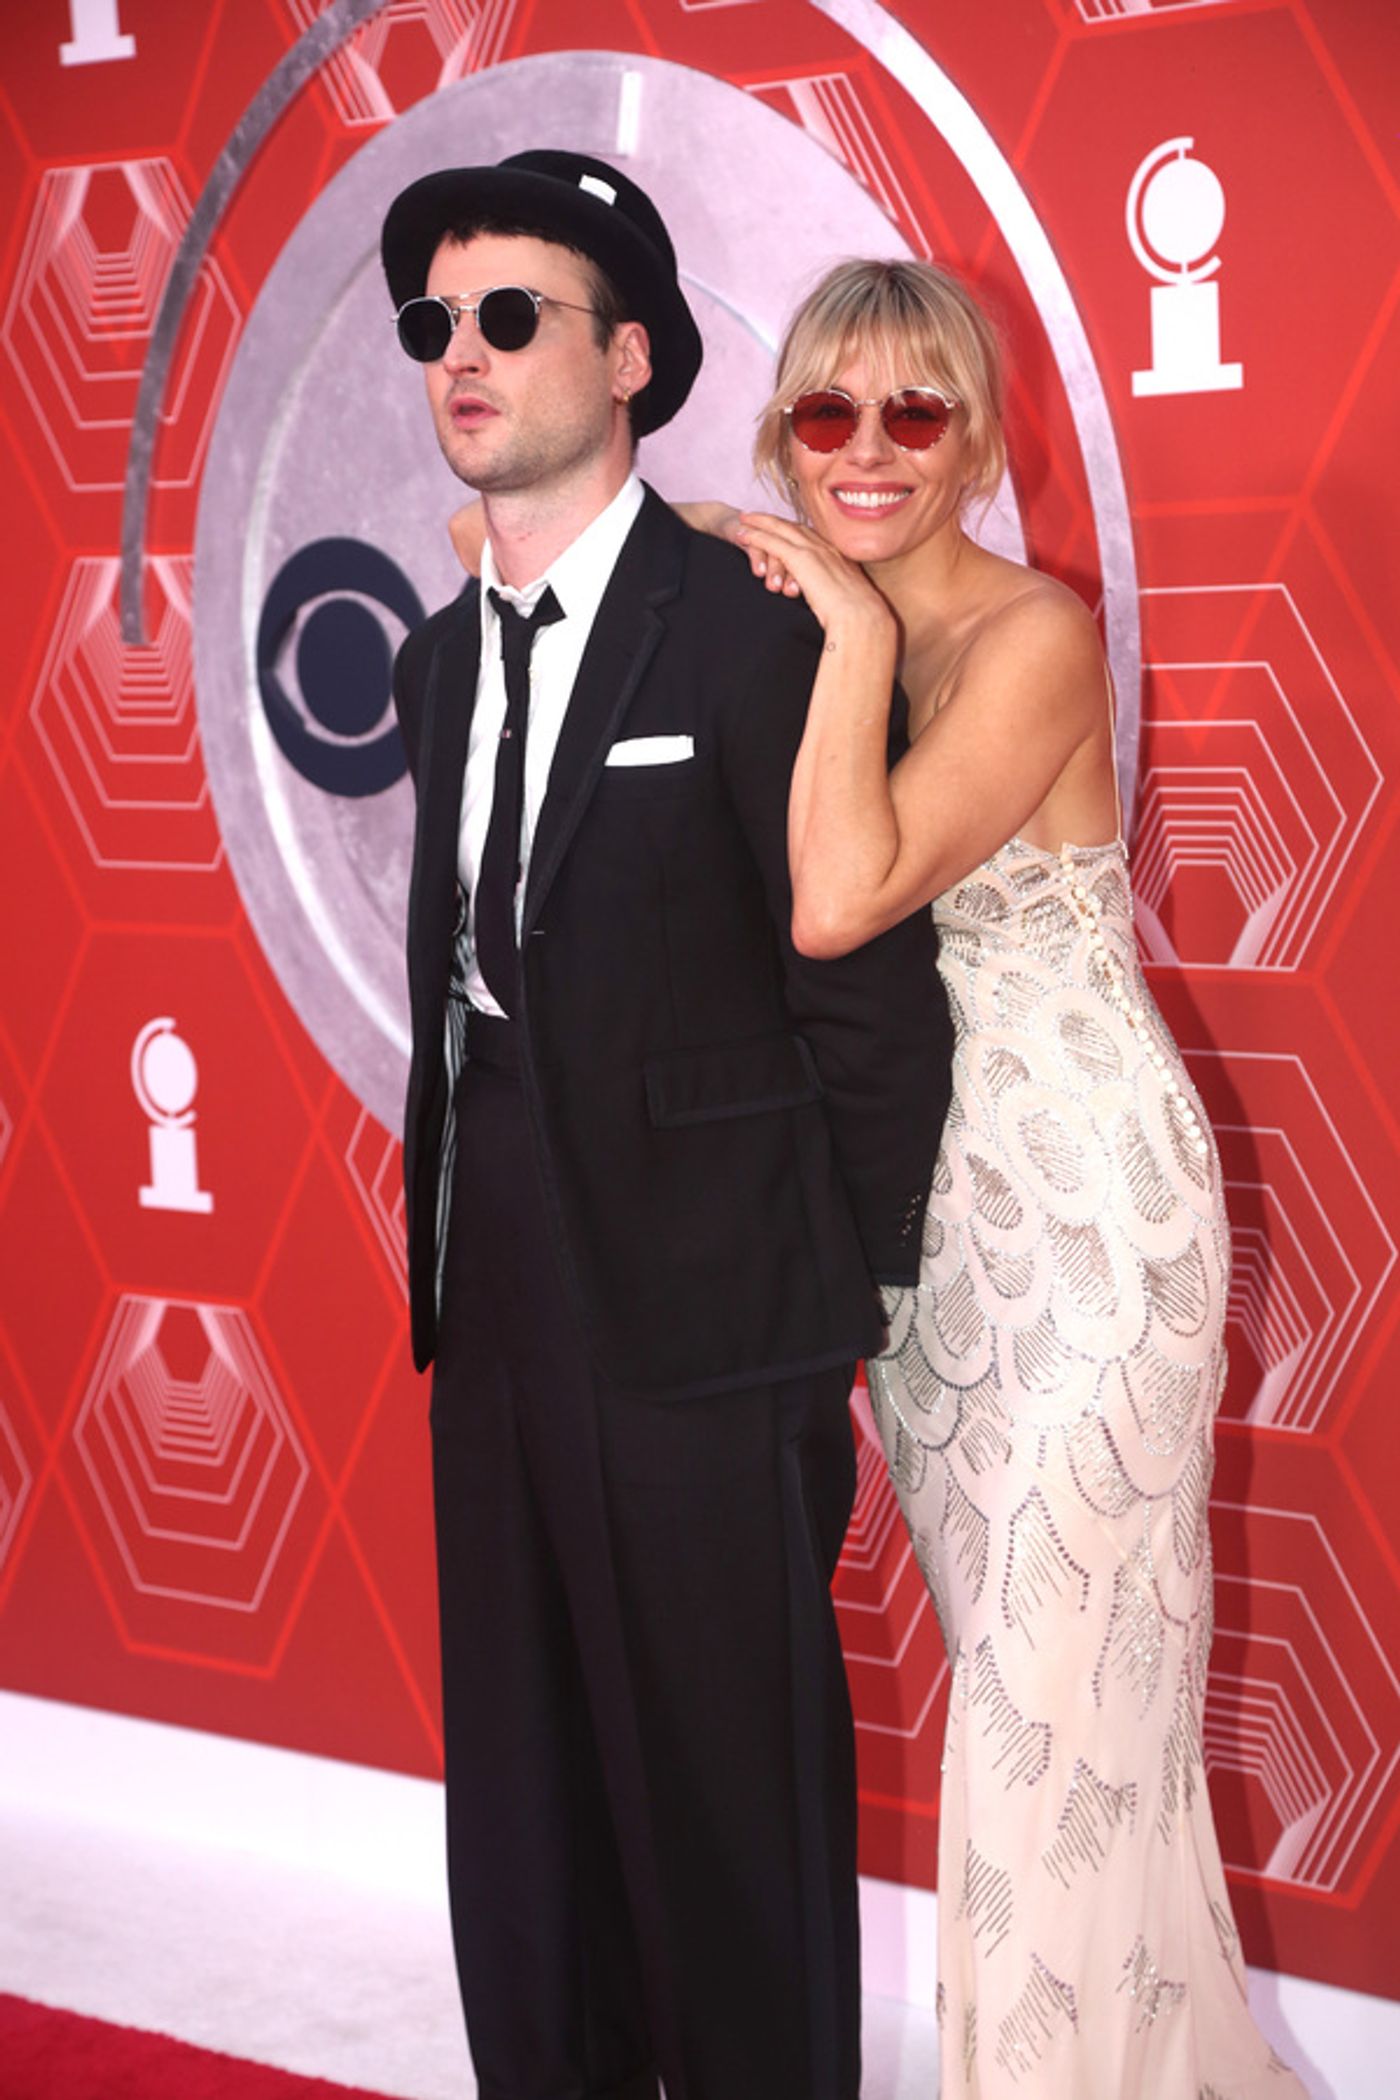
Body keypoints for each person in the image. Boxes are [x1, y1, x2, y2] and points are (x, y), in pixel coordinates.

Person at [378, 156, 949, 2100]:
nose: (463, 351)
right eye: (436, 322)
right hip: (500, 1295)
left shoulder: (746, 617)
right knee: (525, 1798)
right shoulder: (435, 657)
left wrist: (847, 1282)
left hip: (718, 1310)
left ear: (626, 356)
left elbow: (859, 978)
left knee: (729, 1806)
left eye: (510, 314)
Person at [719, 260, 1309, 2099]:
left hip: (1097, 1234)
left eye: (920, 412)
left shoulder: (1033, 631)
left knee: (1050, 1717)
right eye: (831, 414)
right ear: (784, 433)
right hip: (929, 1251)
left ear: (978, 437)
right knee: (1059, 1717)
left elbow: (842, 896)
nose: (872, 452)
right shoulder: (808, 637)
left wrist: (850, 632)